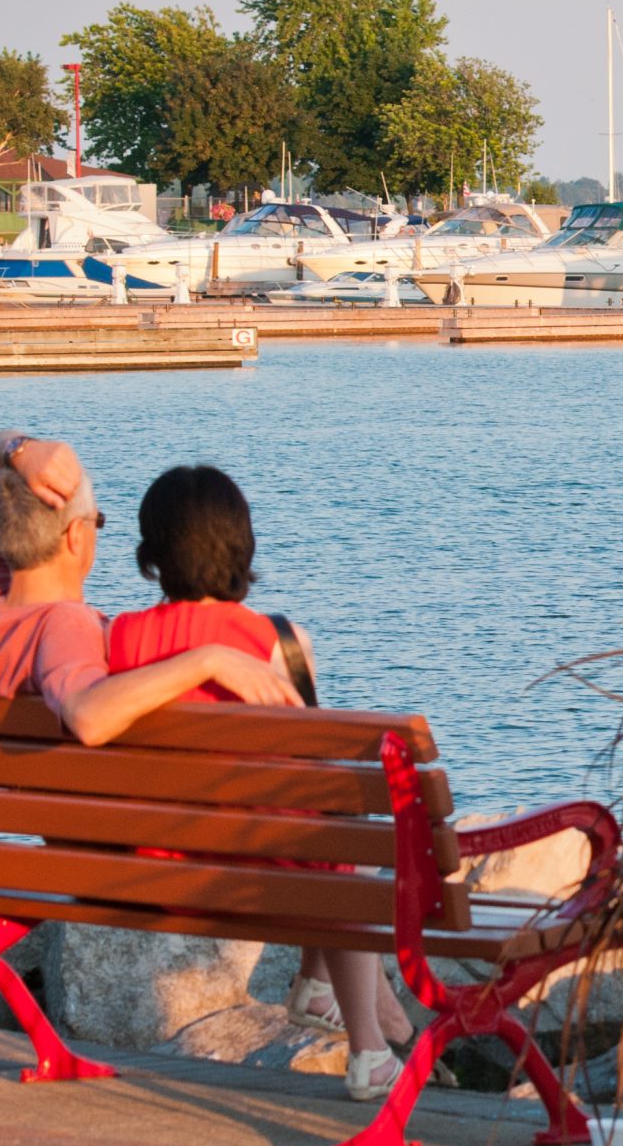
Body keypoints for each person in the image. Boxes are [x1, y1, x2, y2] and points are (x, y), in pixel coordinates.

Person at [105, 464, 413, 1103]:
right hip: (259, 868)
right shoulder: (280, 641)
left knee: (324, 841)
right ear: (242, 546)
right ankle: (370, 1049)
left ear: (151, 554)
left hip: (156, 859)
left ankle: (323, 991)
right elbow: (315, 777)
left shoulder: (118, 639)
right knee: (340, 846)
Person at [0, 431, 300, 742]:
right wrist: (209, 659)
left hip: (17, 812)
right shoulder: (67, 627)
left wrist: (20, 451)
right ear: (75, 536)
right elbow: (88, 718)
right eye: (96, 520)